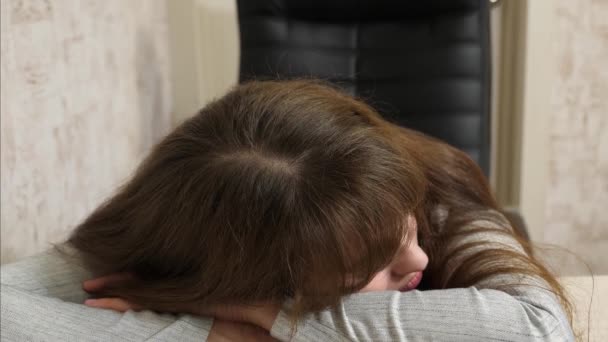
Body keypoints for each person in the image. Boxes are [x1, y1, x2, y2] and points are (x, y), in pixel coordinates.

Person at [1, 80, 575, 341]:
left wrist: (245, 318)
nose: (419, 256)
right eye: (370, 266)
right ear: (264, 277)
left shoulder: (436, 187)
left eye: (406, 223)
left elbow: (539, 330)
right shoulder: (168, 242)